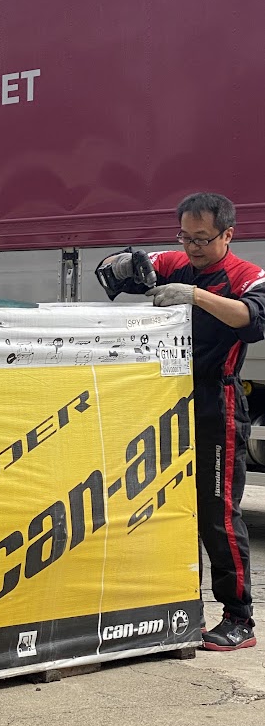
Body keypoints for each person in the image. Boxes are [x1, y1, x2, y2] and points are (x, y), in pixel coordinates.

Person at [97, 192, 265, 651]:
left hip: (217, 401)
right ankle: (174, 605)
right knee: (162, 504)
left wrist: (195, 296)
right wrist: (124, 264)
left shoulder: (246, 276)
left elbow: (252, 321)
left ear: (228, 235)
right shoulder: (176, 261)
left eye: (202, 239)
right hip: (165, 397)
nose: (192, 248)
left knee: (217, 513)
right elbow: (113, 269)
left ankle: (239, 618)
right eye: (185, 237)